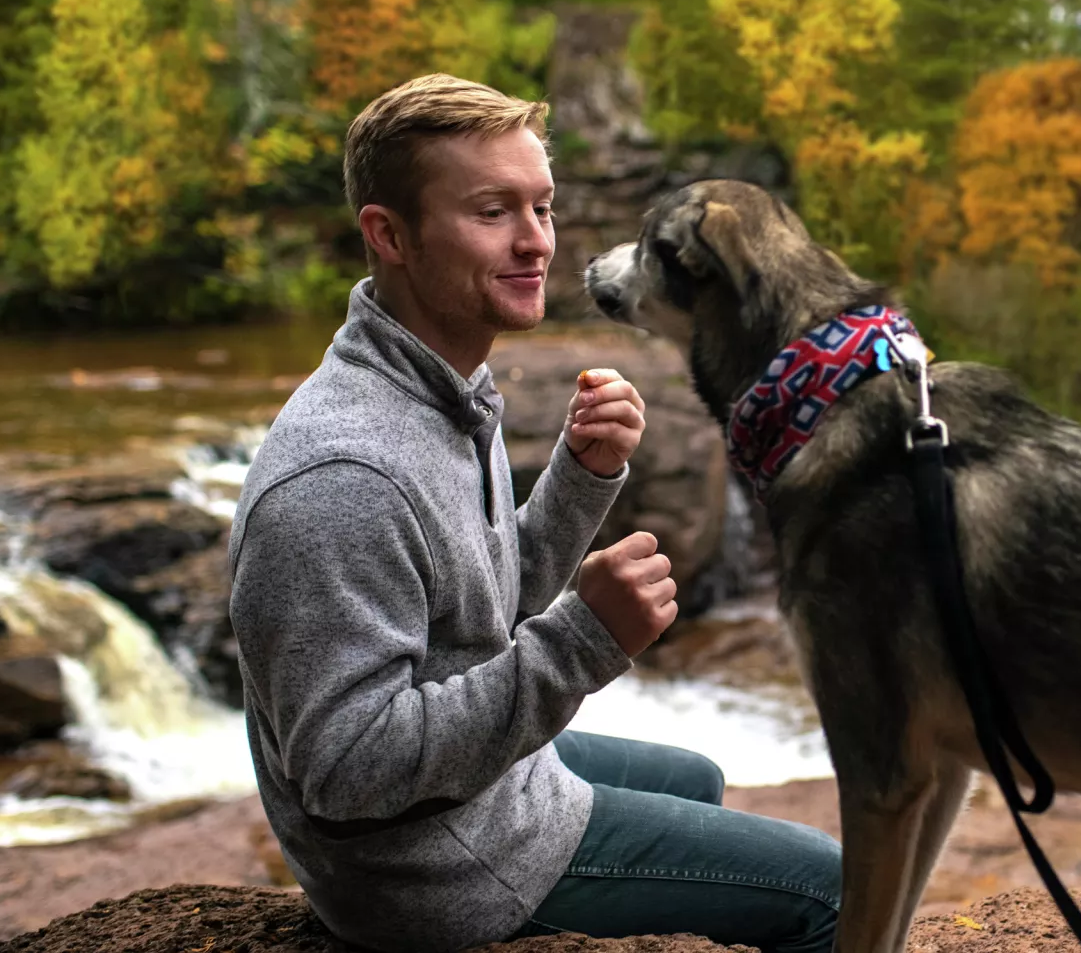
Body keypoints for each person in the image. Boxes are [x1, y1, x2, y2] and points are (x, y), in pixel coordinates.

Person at [228, 73, 841, 953]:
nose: (536, 242)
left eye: (542, 208)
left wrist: (582, 475)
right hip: (432, 873)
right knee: (831, 890)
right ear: (388, 234)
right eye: (493, 212)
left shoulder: (441, 388)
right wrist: (584, 640)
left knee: (697, 779)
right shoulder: (342, 477)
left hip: (463, 804)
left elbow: (482, 610)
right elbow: (348, 774)